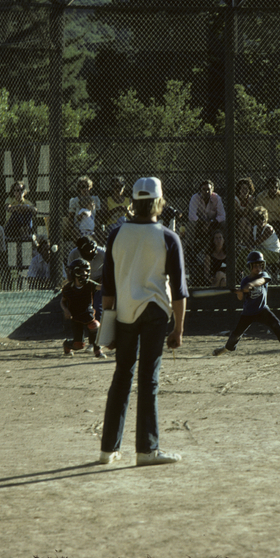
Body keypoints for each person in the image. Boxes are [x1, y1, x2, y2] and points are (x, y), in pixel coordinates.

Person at [99, 176, 188, 467]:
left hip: (124, 312)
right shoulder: (168, 237)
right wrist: (178, 329)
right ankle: (147, 450)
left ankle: (108, 450)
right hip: (155, 312)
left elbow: (108, 288)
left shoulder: (116, 234)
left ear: (133, 203)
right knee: (148, 379)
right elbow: (179, 291)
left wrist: (108, 328)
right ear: (159, 202)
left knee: (122, 376)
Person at [212, 250, 280, 357]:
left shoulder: (263, 275)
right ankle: (226, 348)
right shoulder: (245, 281)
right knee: (236, 334)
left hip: (262, 309)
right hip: (248, 312)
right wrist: (239, 292)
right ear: (250, 266)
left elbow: (261, 281)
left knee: (276, 324)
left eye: (260, 265)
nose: (258, 268)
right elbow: (241, 298)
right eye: (255, 266)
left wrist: (251, 285)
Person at [60, 258, 105, 359]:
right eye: (81, 271)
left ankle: (97, 350)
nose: (84, 274)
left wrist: (112, 285)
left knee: (94, 325)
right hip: (75, 316)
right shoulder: (68, 288)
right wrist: (66, 310)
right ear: (74, 273)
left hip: (87, 313)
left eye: (86, 271)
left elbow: (100, 287)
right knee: (79, 345)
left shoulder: (89, 284)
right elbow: (62, 301)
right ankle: (67, 345)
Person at [67, 235, 105, 323]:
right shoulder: (74, 254)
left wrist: (104, 280)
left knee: (98, 307)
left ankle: (98, 327)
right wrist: (75, 287)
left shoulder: (102, 253)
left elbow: (111, 268)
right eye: (87, 250)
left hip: (99, 281)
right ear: (81, 251)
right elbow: (69, 272)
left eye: (92, 249)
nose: (91, 251)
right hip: (82, 282)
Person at [254, 176, 280, 257]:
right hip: (265, 222)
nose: (274, 189)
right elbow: (258, 212)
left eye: (276, 187)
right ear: (268, 187)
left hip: (278, 222)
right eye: (272, 187)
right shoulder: (261, 197)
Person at [67, 176, 102, 241]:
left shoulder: (95, 199)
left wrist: (96, 225)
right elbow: (71, 217)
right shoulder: (74, 201)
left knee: (101, 233)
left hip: (92, 226)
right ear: (79, 188)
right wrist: (73, 227)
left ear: (90, 187)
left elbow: (98, 216)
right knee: (75, 233)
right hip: (79, 227)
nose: (85, 189)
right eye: (83, 187)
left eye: (87, 186)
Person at [233, 177, 256, 242]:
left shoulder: (251, 198)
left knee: (248, 225)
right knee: (243, 220)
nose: (245, 191)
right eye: (243, 188)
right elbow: (242, 214)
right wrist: (248, 205)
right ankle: (239, 241)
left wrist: (246, 218)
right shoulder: (235, 200)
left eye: (246, 189)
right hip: (236, 220)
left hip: (247, 220)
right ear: (239, 189)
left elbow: (250, 215)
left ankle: (244, 244)